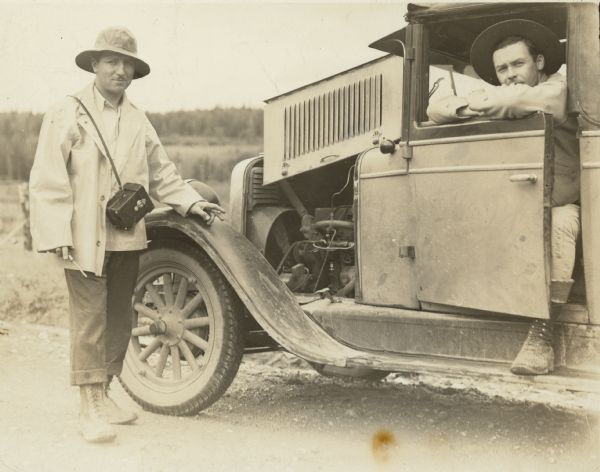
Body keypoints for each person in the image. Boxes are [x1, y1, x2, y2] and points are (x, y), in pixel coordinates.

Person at [29, 26, 225, 443]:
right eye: (112, 61)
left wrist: (192, 202)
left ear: (134, 71)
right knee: (89, 319)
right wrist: (57, 230)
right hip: (81, 236)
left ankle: (105, 394)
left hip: (125, 234)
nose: (120, 70)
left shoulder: (138, 119)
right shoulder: (68, 112)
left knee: (120, 316)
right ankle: (89, 408)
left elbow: (162, 172)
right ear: (95, 64)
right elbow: (47, 177)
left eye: (127, 64)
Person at [427, 20, 580, 376]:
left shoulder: (560, 87)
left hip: (570, 202)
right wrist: (471, 105)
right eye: (502, 69)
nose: (509, 75)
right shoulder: (498, 93)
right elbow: (435, 110)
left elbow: (523, 100)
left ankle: (543, 335)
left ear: (539, 62)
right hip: (527, 202)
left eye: (517, 64)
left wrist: (475, 102)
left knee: (560, 225)